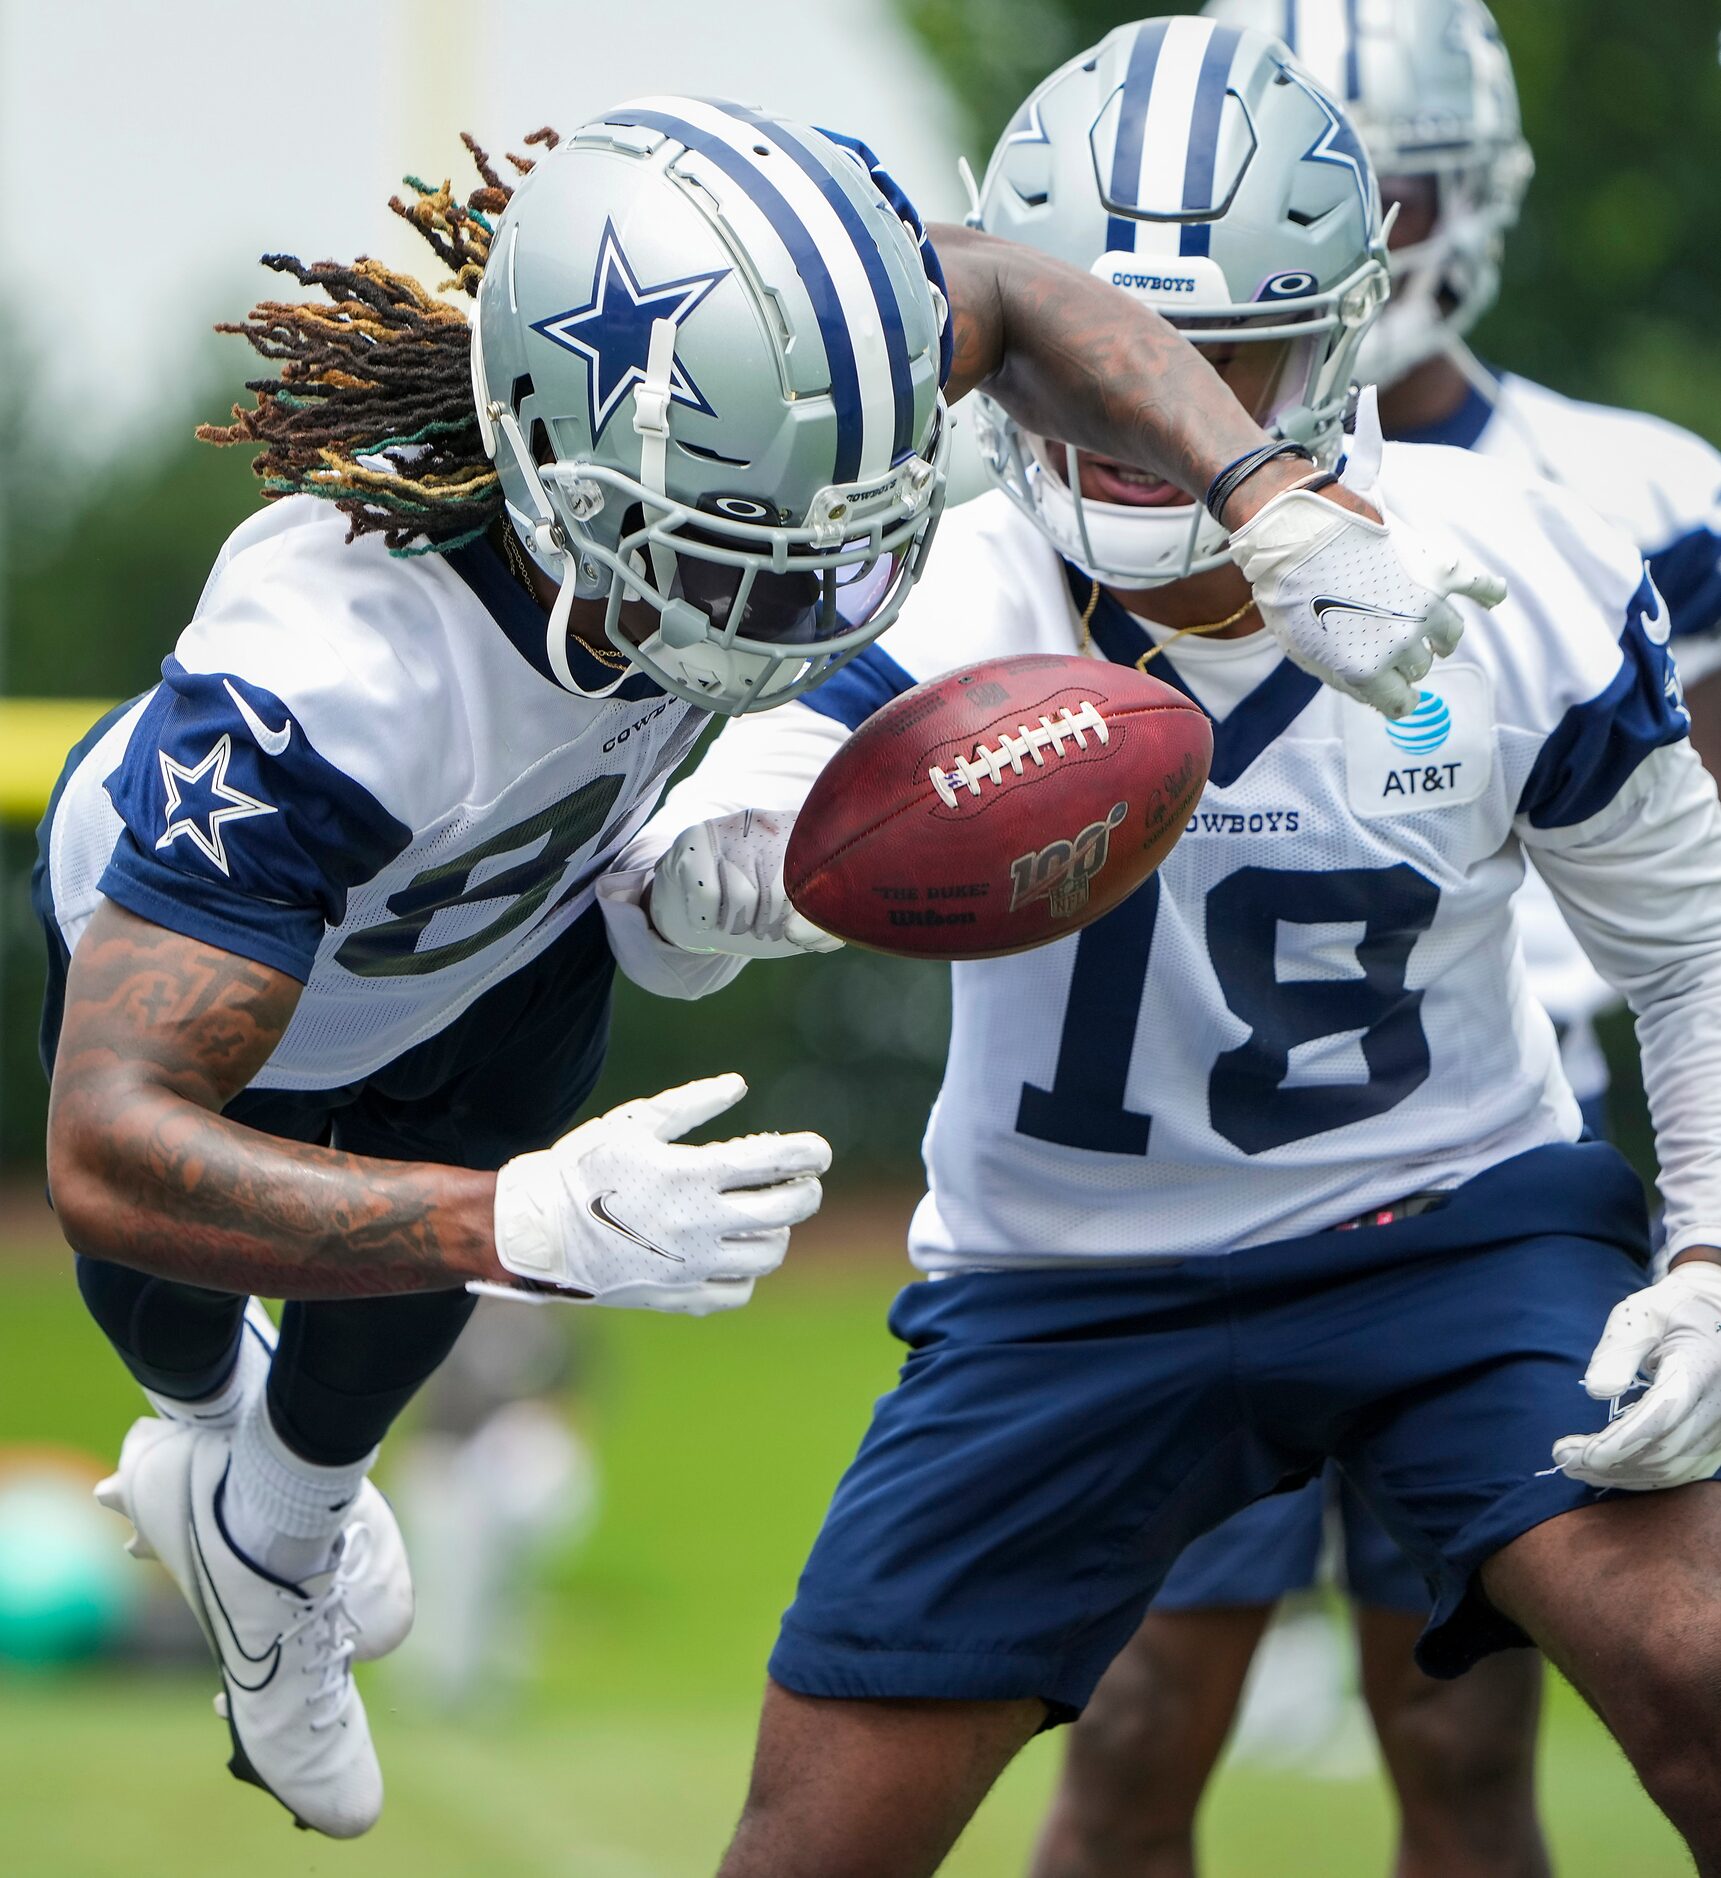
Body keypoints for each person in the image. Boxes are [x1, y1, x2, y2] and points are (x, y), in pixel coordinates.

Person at [36, 99, 1474, 1842]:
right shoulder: (334, 682)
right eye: (733, 540)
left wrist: (1262, 496)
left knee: (386, 1333)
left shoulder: (795, 362)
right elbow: (107, 1146)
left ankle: (274, 1529)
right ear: (558, 467)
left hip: (511, 929)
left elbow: (1011, 290)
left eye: (832, 521)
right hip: (266, 967)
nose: (803, 598)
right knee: (210, 1320)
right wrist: (519, 1227)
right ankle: (216, 1449)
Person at [612, 25, 1721, 1877]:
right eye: (1120, 358)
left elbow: (1689, 948)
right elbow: (674, 905)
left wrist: (1707, 1251)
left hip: (1440, 1228)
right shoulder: (939, 585)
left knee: (1695, 1679)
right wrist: (707, 879)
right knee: (812, 1849)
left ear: (1346, 337)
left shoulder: (1513, 560)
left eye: (1232, 357)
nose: (1152, 416)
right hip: (1064, 1280)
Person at [1015, 2, 1721, 1870]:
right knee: (1139, 1720)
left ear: (1460, 198)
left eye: (1388, 185)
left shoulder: (1619, 491)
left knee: (1466, 1740)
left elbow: (1697, 890)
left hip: (1485, 1143)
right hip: (1160, 1153)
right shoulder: (1057, 497)